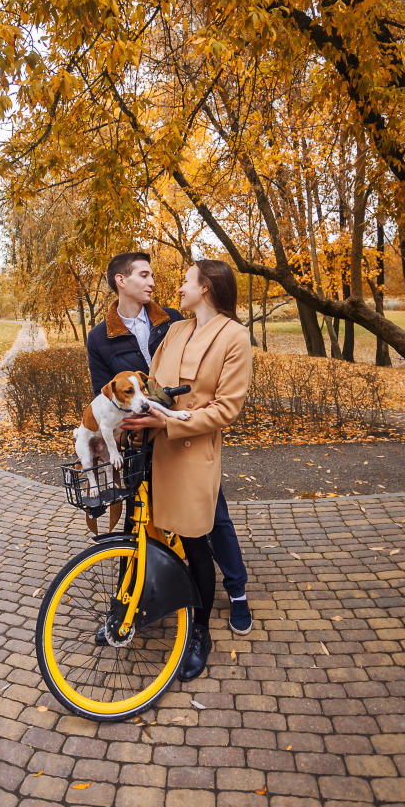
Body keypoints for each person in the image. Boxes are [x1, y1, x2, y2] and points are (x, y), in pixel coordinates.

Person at [86, 252, 253, 635]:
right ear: (121, 281)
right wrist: (123, 423)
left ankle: (228, 601)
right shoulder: (121, 334)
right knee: (139, 526)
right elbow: (148, 388)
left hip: (190, 448)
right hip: (148, 445)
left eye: (185, 280)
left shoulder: (176, 321)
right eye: (144, 275)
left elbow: (220, 404)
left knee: (210, 527)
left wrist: (183, 414)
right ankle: (129, 607)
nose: (162, 284)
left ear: (205, 289)